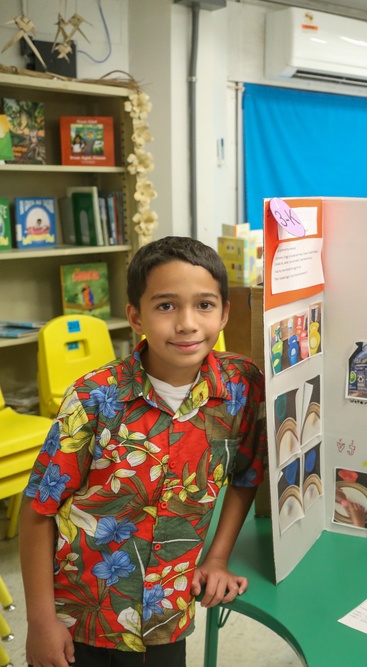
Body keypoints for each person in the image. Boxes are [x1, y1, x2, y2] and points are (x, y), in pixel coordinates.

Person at [20, 236, 267, 667]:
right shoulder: (95, 397)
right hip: (86, 612)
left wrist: (219, 557)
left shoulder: (242, 387)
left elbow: (247, 475)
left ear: (225, 313)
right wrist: (40, 622)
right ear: (135, 316)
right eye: (166, 306)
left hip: (167, 611)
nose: (188, 323)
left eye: (205, 305)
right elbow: (39, 510)